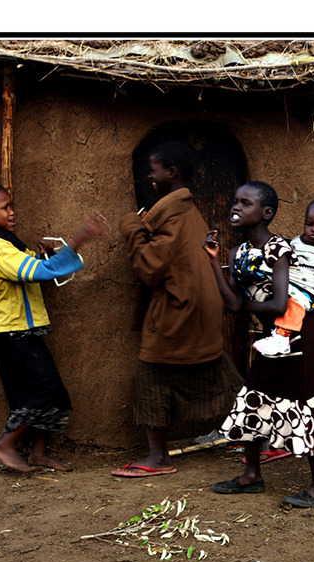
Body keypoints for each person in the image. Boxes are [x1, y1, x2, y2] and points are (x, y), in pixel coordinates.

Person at [203, 181, 314, 507]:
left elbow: (280, 304)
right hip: (271, 339)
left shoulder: (280, 249)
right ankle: (251, 475)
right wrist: (214, 263)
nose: (235, 207)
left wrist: (244, 307)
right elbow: (231, 304)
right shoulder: (236, 253)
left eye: (245, 203)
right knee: (253, 396)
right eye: (235, 201)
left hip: (300, 336)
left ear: (266, 213)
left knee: (307, 403)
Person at [0, 181, 109, 472]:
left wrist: (41, 255)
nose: (12, 212)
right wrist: (78, 239)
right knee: (46, 391)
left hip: (22, 330)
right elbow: (40, 273)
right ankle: (5, 443)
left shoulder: (9, 244)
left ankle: (38, 453)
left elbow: (32, 267)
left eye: (11, 205)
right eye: (5, 207)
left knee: (37, 393)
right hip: (13, 333)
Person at [115, 141, 242, 478]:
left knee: (149, 380)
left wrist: (131, 227)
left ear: (171, 173)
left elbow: (149, 267)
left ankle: (159, 458)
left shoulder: (173, 216)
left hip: (178, 315)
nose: (150, 176)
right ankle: (254, 435)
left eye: (154, 169)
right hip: (197, 315)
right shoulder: (185, 211)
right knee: (219, 374)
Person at [252, 197, 314, 357]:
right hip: (294, 284)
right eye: (309, 224)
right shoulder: (297, 242)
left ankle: (281, 339)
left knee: (295, 302)